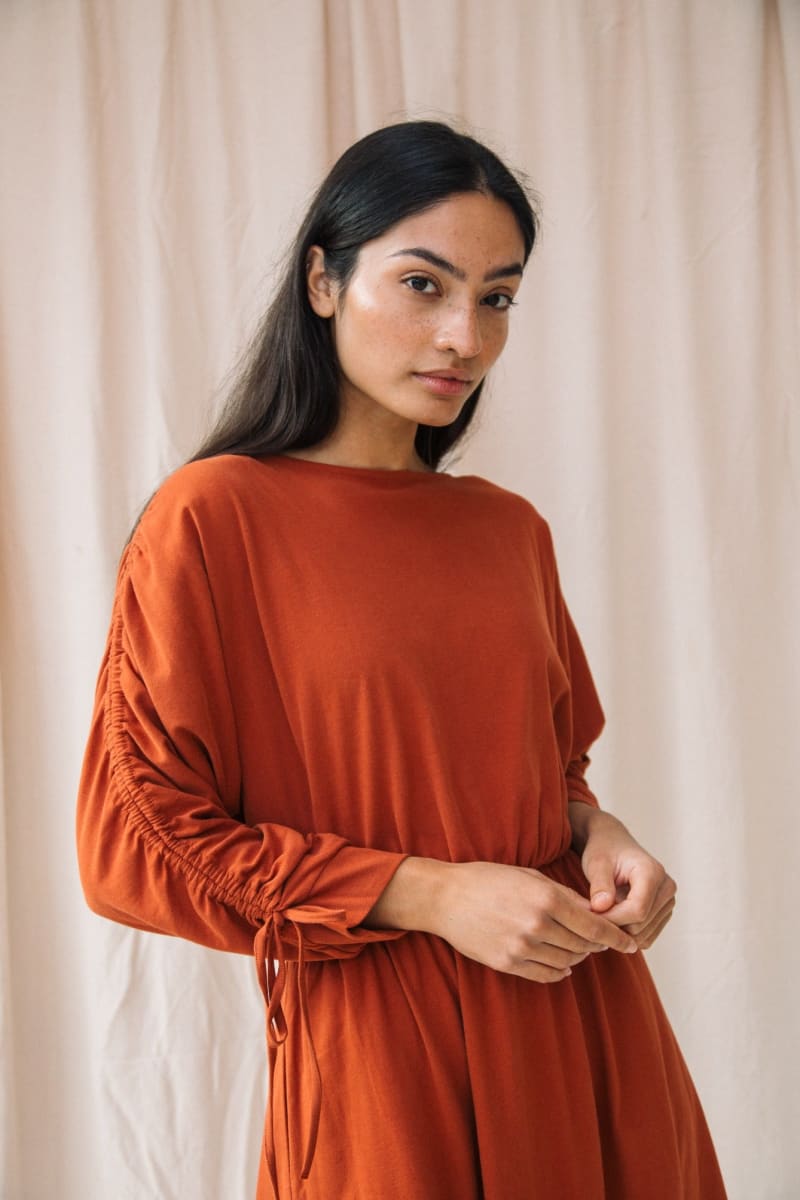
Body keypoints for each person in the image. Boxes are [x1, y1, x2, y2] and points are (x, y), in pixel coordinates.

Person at [76, 120, 727, 1199]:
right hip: (385, 1054)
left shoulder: (506, 529)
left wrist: (597, 834)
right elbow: (139, 845)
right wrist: (426, 894)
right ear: (323, 282)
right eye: (423, 285)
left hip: (583, 1021)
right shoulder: (213, 518)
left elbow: (542, 771)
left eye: (496, 298)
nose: (463, 336)